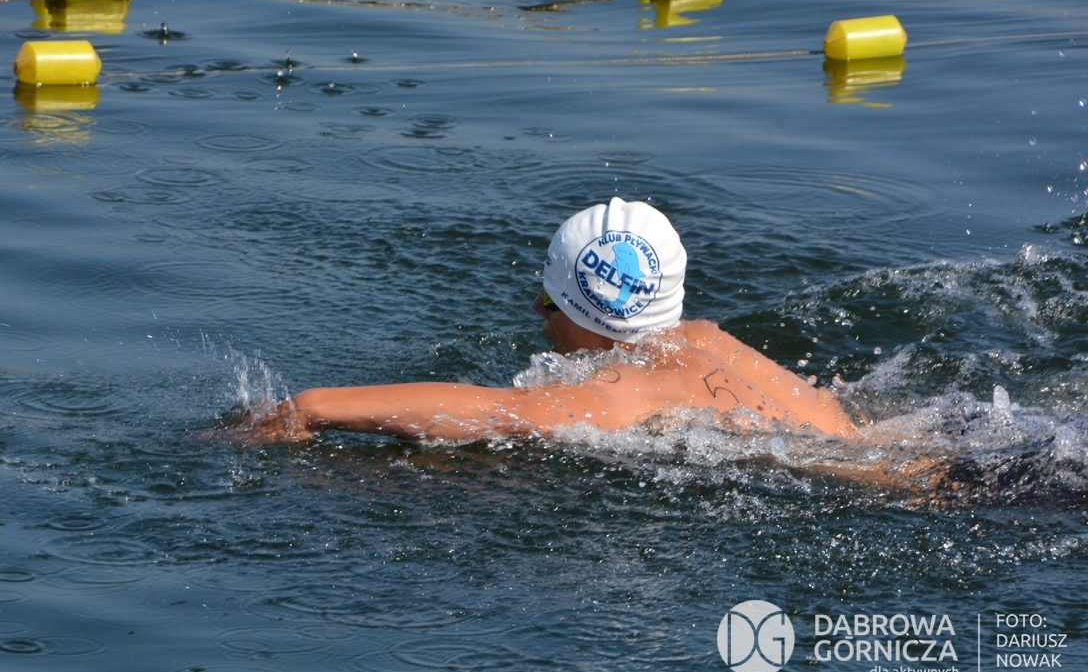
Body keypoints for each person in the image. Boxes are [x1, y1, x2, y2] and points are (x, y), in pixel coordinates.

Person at [241, 197, 861, 445]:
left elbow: (496, 412)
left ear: (592, 312)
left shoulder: (623, 387)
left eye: (552, 297)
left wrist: (311, 407)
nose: (536, 308)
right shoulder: (705, 338)